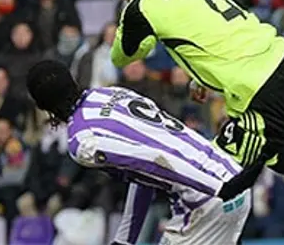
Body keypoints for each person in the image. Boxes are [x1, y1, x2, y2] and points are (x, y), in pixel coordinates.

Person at [107, 0, 284, 203]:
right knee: (263, 145)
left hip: (260, 91)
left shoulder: (141, 5)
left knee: (210, 179)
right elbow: (214, 35)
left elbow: (122, 56)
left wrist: (131, 21)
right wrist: (200, 77)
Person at [25, 60, 254, 245]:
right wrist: (125, 240)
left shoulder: (83, 141)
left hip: (206, 199)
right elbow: (141, 173)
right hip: (229, 171)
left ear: (43, 107)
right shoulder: (112, 93)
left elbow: (153, 160)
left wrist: (218, 188)